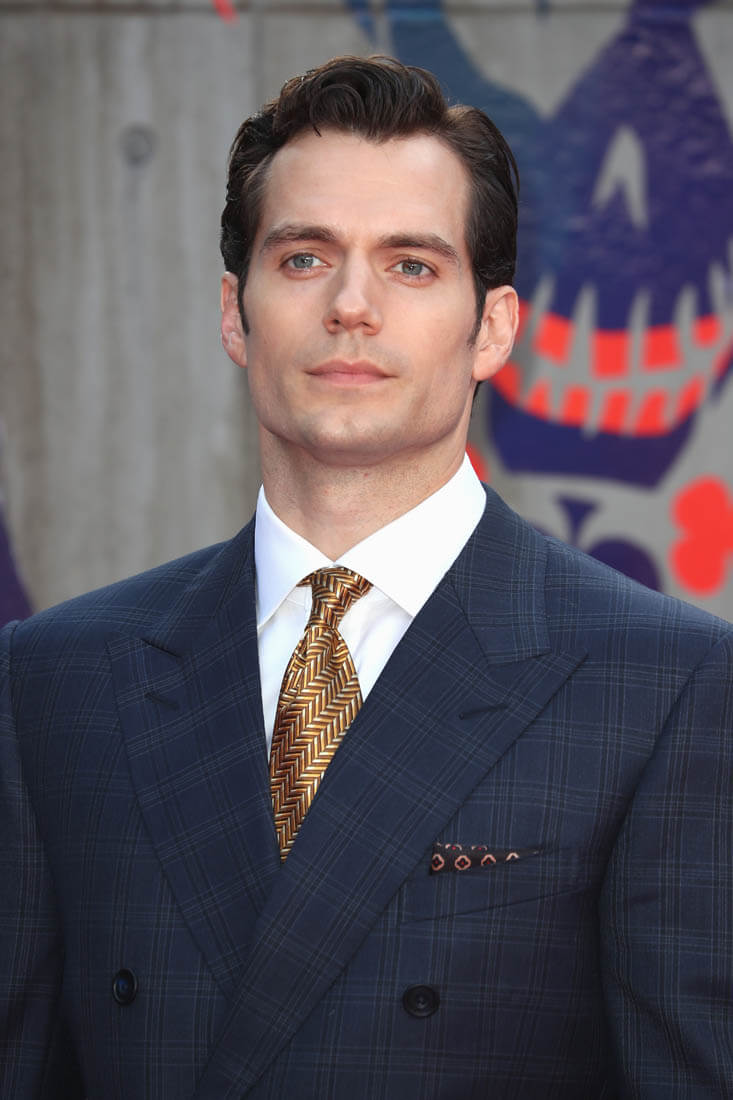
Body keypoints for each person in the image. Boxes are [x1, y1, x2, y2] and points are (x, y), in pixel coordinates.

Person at [1, 55, 731, 1100]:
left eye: (411, 265)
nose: (351, 305)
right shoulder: (55, 678)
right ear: (234, 313)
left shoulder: (667, 684)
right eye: (304, 258)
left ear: (492, 327)